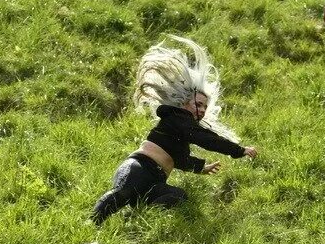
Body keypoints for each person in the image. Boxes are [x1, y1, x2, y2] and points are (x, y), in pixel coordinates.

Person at [92, 36, 257, 224]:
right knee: (122, 194)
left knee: (178, 196)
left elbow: (177, 158)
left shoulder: (182, 129)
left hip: (155, 180)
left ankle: (135, 222)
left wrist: (201, 168)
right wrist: (239, 150)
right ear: (185, 103)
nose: (202, 110)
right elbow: (206, 139)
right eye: (199, 104)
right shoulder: (177, 118)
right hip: (138, 169)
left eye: (205, 107)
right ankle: (90, 225)